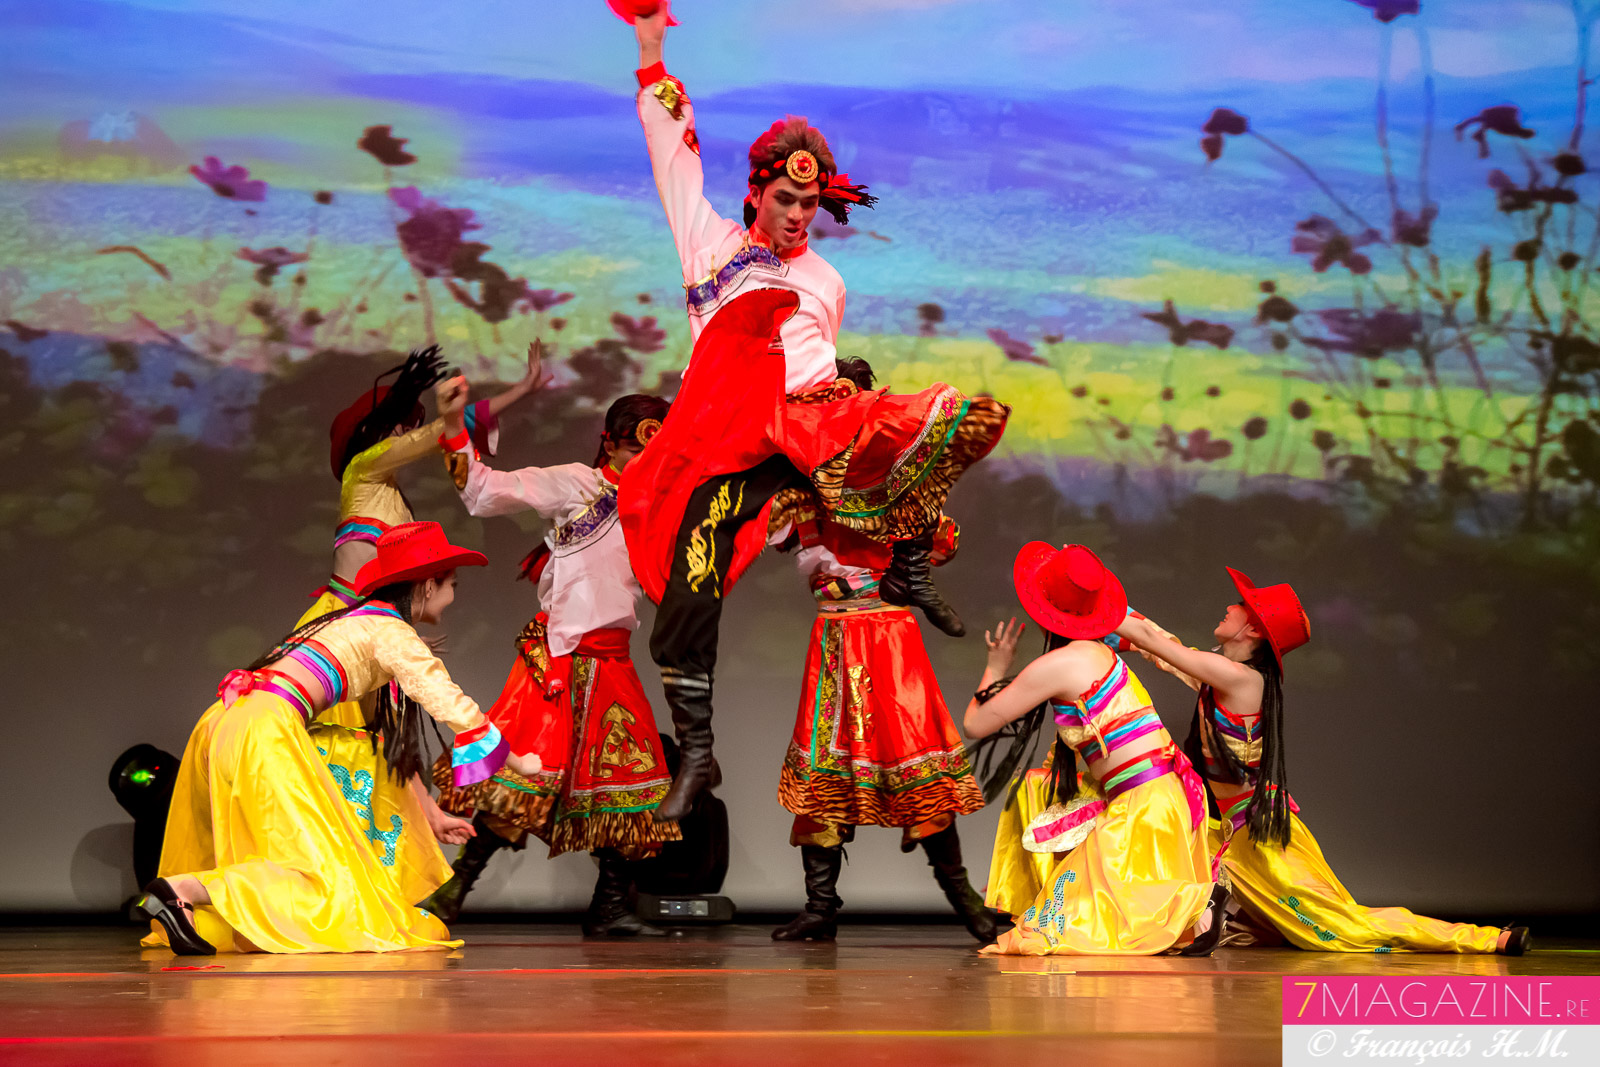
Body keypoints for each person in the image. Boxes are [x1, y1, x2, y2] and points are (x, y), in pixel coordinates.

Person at [619, 9, 1010, 822]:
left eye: (811, 204)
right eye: (787, 199)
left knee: (892, 431)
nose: (799, 215)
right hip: (730, 439)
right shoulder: (710, 244)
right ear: (758, 191)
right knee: (689, 583)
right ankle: (697, 753)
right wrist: (652, 47)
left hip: (805, 420)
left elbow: (819, 361)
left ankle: (908, 560)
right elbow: (671, 155)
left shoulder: (825, 280)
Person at [138, 522, 541, 954]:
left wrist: (431, 813)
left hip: (226, 717)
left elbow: (378, 737)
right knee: (320, 877)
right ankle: (184, 889)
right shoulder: (391, 633)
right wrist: (518, 762)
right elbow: (449, 702)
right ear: (427, 585)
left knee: (297, 860)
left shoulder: (355, 624)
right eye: (452, 584)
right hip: (264, 727)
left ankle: (189, 906)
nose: (455, 596)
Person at [1112, 569, 1531, 955]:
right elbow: (1162, 649)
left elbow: (1157, 644)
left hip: (1261, 836)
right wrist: (1097, 615)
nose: (1229, 605)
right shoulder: (1223, 672)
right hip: (1226, 834)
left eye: (1239, 604)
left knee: (1338, 925)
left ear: (1253, 628)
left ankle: (1489, 940)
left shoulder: (1240, 680)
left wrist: (1100, 609)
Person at [424, 379, 681, 936]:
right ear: (609, 444)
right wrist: (452, 427)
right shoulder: (577, 485)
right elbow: (484, 492)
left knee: (625, 782)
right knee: (520, 776)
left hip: (611, 659)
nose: (644, 460)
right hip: (559, 656)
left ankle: (609, 905)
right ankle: (453, 891)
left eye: (653, 451)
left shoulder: (658, 507)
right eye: (635, 448)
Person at [770, 359, 992, 943]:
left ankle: (967, 902)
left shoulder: (897, 486)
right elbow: (776, 532)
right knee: (823, 766)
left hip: (888, 638)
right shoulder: (805, 486)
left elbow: (942, 540)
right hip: (834, 635)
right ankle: (820, 909)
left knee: (914, 759)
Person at [301, 345, 543, 879]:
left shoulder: (388, 495)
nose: (400, 441)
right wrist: (448, 418)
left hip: (373, 628)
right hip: (343, 629)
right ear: (370, 436)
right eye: (395, 430)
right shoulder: (361, 473)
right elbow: (435, 435)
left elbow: (448, 432)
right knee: (350, 760)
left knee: (386, 743)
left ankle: (410, 835)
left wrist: (518, 392)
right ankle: (339, 877)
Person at [965, 544, 1216, 956]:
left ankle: (1198, 907)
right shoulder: (1104, 649)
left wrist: (996, 665)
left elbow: (976, 723)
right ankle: (1195, 910)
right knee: (1036, 789)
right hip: (1168, 798)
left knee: (1052, 931)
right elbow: (1145, 631)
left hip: (1143, 809)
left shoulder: (1058, 665)